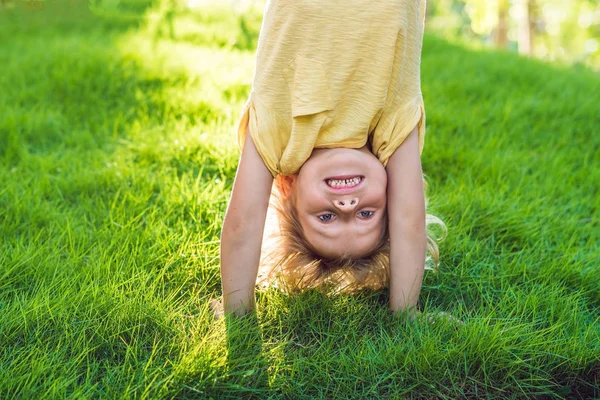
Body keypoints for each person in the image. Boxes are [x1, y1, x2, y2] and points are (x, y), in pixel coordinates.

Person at [219, 0, 445, 317]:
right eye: (367, 214)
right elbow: (409, 221)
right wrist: (406, 312)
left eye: (325, 218)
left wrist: (237, 316)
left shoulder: (278, 137)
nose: (347, 207)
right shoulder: (392, 129)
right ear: (390, 193)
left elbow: (243, 225)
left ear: (289, 189)